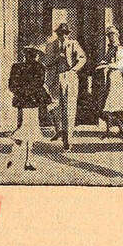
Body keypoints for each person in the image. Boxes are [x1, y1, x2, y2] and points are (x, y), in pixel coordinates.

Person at [6, 45, 51, 172]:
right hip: (32, 102)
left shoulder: (16, 67)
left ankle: (15, 158)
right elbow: (39, 84)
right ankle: (26, 161)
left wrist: (21, 93)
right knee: (29, 132)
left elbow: (11, 86)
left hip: (22, 102)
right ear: (36, 55)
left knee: (23, 129)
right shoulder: (40, 68)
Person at [43, 22, 86, 150]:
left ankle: (68, 140)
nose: (62, 36)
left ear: (68, 34)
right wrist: (56, 58)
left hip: (69, 77)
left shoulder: (73, 44)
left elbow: (83, 58)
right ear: (57, 34)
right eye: (60, 34)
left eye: (64, 34)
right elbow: (47, 62)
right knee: (53, 105)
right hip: (56, 77)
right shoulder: (52, 45)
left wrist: (73, 70)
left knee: (69, 108)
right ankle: (59, 129)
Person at [95, 26, 123, 140]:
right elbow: (106, 59)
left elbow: (119, 64)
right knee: (107, 105)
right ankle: (109, 130)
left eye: (112, 35)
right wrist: (102, 62)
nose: (111, 37)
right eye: (109, 36)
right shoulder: (111, 48)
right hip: (109, 77)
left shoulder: (119, 49)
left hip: (116, 78)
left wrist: (106, 65)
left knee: (113, 106)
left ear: (117, 36)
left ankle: (121, 130)